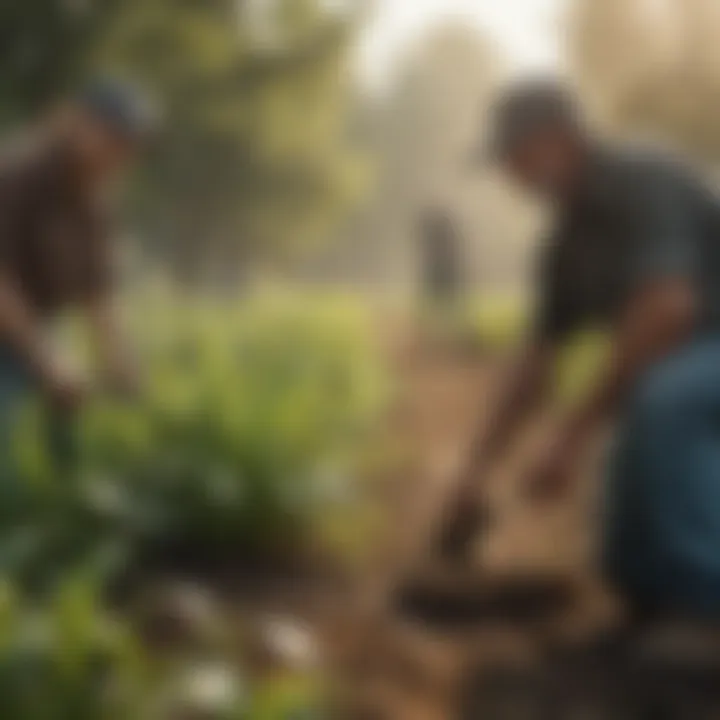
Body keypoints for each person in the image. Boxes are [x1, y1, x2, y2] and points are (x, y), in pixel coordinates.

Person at [438, 78, 720, 618]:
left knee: (665, 400)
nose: (508, 174)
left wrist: (569, 435)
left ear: (559, 140)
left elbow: (669, 308)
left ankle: (709, 611)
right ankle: (656, 597)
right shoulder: (567, 243)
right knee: (626, 558)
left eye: (513, 156)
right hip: (691, 357)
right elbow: (534, 363)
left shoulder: (645, 179)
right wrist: (473, 473)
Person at [0, 79, 154, 507]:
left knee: (69, 413)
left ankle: (61, 518)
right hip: (8, 323)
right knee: (9, 423)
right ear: (77, 125)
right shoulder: (17, 177)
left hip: (33, 324)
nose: (120, 152)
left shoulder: (94, 202)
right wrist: (46, 357)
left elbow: (99, 294)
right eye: (112, 136)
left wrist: (121, 363)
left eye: (129, 142)